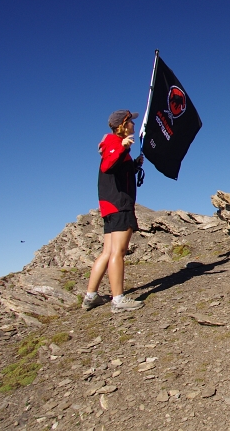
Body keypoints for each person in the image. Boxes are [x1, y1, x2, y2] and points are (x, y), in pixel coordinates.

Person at [83, 110, 145, 313]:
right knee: (118, 252)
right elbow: (109, 165)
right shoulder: (114, 142)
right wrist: (123, 147)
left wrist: (133, 164)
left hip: (110, 206)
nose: (134, 125)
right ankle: (118, 299)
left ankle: (90, 296)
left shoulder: (114, 145)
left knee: (108, 251)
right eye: (131, 122)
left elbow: (115, 169)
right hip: (119, 205)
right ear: (123, 125)